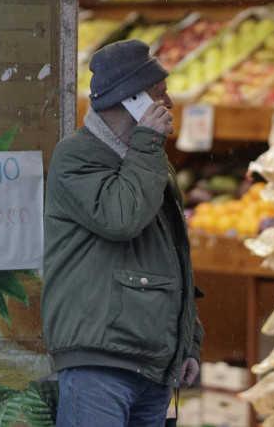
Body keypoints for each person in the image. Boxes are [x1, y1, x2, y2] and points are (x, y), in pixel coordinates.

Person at [41, 39, 204, 427]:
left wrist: (188, 344)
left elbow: (175, 255)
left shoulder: (150, 158)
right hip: (100, 363)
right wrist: (147, 144)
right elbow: (121, 218)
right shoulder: (76, 156)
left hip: (151, 366)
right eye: (160, 93)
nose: (170, 103)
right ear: (130, 99)